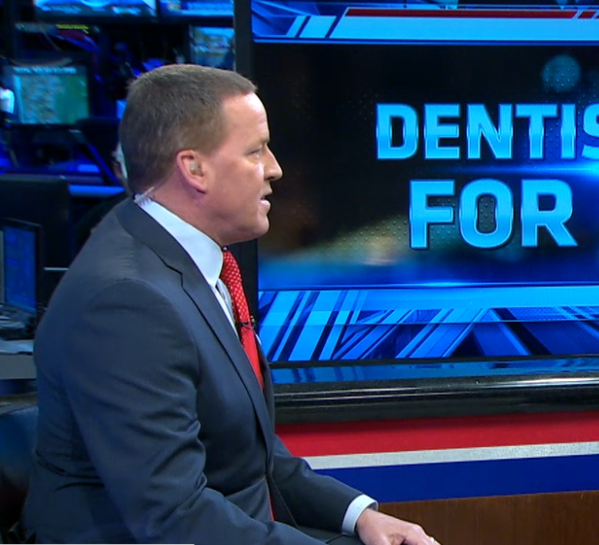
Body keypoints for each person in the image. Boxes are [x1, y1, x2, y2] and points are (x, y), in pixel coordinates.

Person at [22, 64, 442, 545]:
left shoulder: (188, 257)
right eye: (255, 150)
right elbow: (175, 516)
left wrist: (359, 516)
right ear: (194, 168)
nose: (275, 168)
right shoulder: (128, 302)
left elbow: (251, 456)